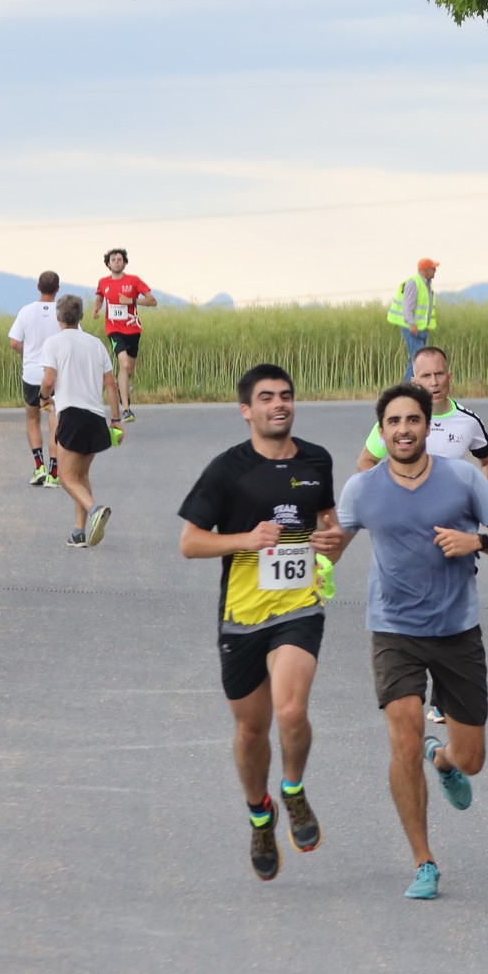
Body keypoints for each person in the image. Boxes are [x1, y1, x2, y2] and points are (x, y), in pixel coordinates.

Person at [333, 381, 488, 900]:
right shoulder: (362, 488)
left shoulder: (462, 478)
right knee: (404, 736)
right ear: (381, 431)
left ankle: (443, 761)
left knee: (471, 758)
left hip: (456, 630)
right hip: (393, 629)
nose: (403, 429)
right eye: (393, 422)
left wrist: (477, 540)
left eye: (412, 420)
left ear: (427, 426)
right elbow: (331, 546)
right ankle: (423, 861)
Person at [177, 365, 342, 881]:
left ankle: (293, 790)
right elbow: (190, 543)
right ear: (246, 410)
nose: (279, 404)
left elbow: (329, 526)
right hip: (242, 617)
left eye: (286, 395)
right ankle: (259, 814)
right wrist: (245, 540)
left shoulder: (317, 460)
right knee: (251, 731)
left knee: (290, 710)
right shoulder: (227, 470)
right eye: (266, 397)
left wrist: (332, 541)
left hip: (298, 607)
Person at [354, 344, 488, 486]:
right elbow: (366, 461)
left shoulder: (468, 421)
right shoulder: (397, 419)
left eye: (439, 374)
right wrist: (387, 494)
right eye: (426, 376)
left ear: (449, 376)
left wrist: (483, 499)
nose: (434, 382)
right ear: (414, 381)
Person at [38, 294, 118, 548]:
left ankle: (95, 510)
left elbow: (49, 380)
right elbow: (110, 383)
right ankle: (79, 532)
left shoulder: (53, 343)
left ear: (58, 317)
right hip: (96, 417)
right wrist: (116, 419)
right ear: (81, 316)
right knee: (81, 475)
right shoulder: (96, 344)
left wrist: (43, 398)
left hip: (71, 415)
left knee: (66, 478)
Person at [7, 272, 62, 486]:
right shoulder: (62, 311)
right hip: (56, 374)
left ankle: (39, 466)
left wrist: (26, 354)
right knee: (54, 419)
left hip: (31, 373)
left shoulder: (26, 311)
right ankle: (54, 471)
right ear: (58, 289)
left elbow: (14, 342)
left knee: (32, 419)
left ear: (38, 287)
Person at [91, 247, 156, 423]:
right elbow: (100, 297)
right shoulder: (103, 282)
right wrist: (96, 309)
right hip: (114, 330)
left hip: (133, 330)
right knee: (124, 364)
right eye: (113, 260)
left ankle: (122, 387)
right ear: (108, 264)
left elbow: (152, 301)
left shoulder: (134, 281)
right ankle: (126, 409)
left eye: (119, 259)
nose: (116, 262)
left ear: (125, 262)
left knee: (129, 370)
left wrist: (131, 301)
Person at [386, 258, 438, 381]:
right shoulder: (413, 283)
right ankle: (408, 387)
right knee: (418, 359)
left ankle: (408, 387)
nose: (435, 271)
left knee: (415, 359)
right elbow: (407, 306)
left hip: (421, 328)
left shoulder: (427, 285)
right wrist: (411, 324)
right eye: (433, 268)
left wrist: (426, 326)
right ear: (425, 270)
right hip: (412, 328)